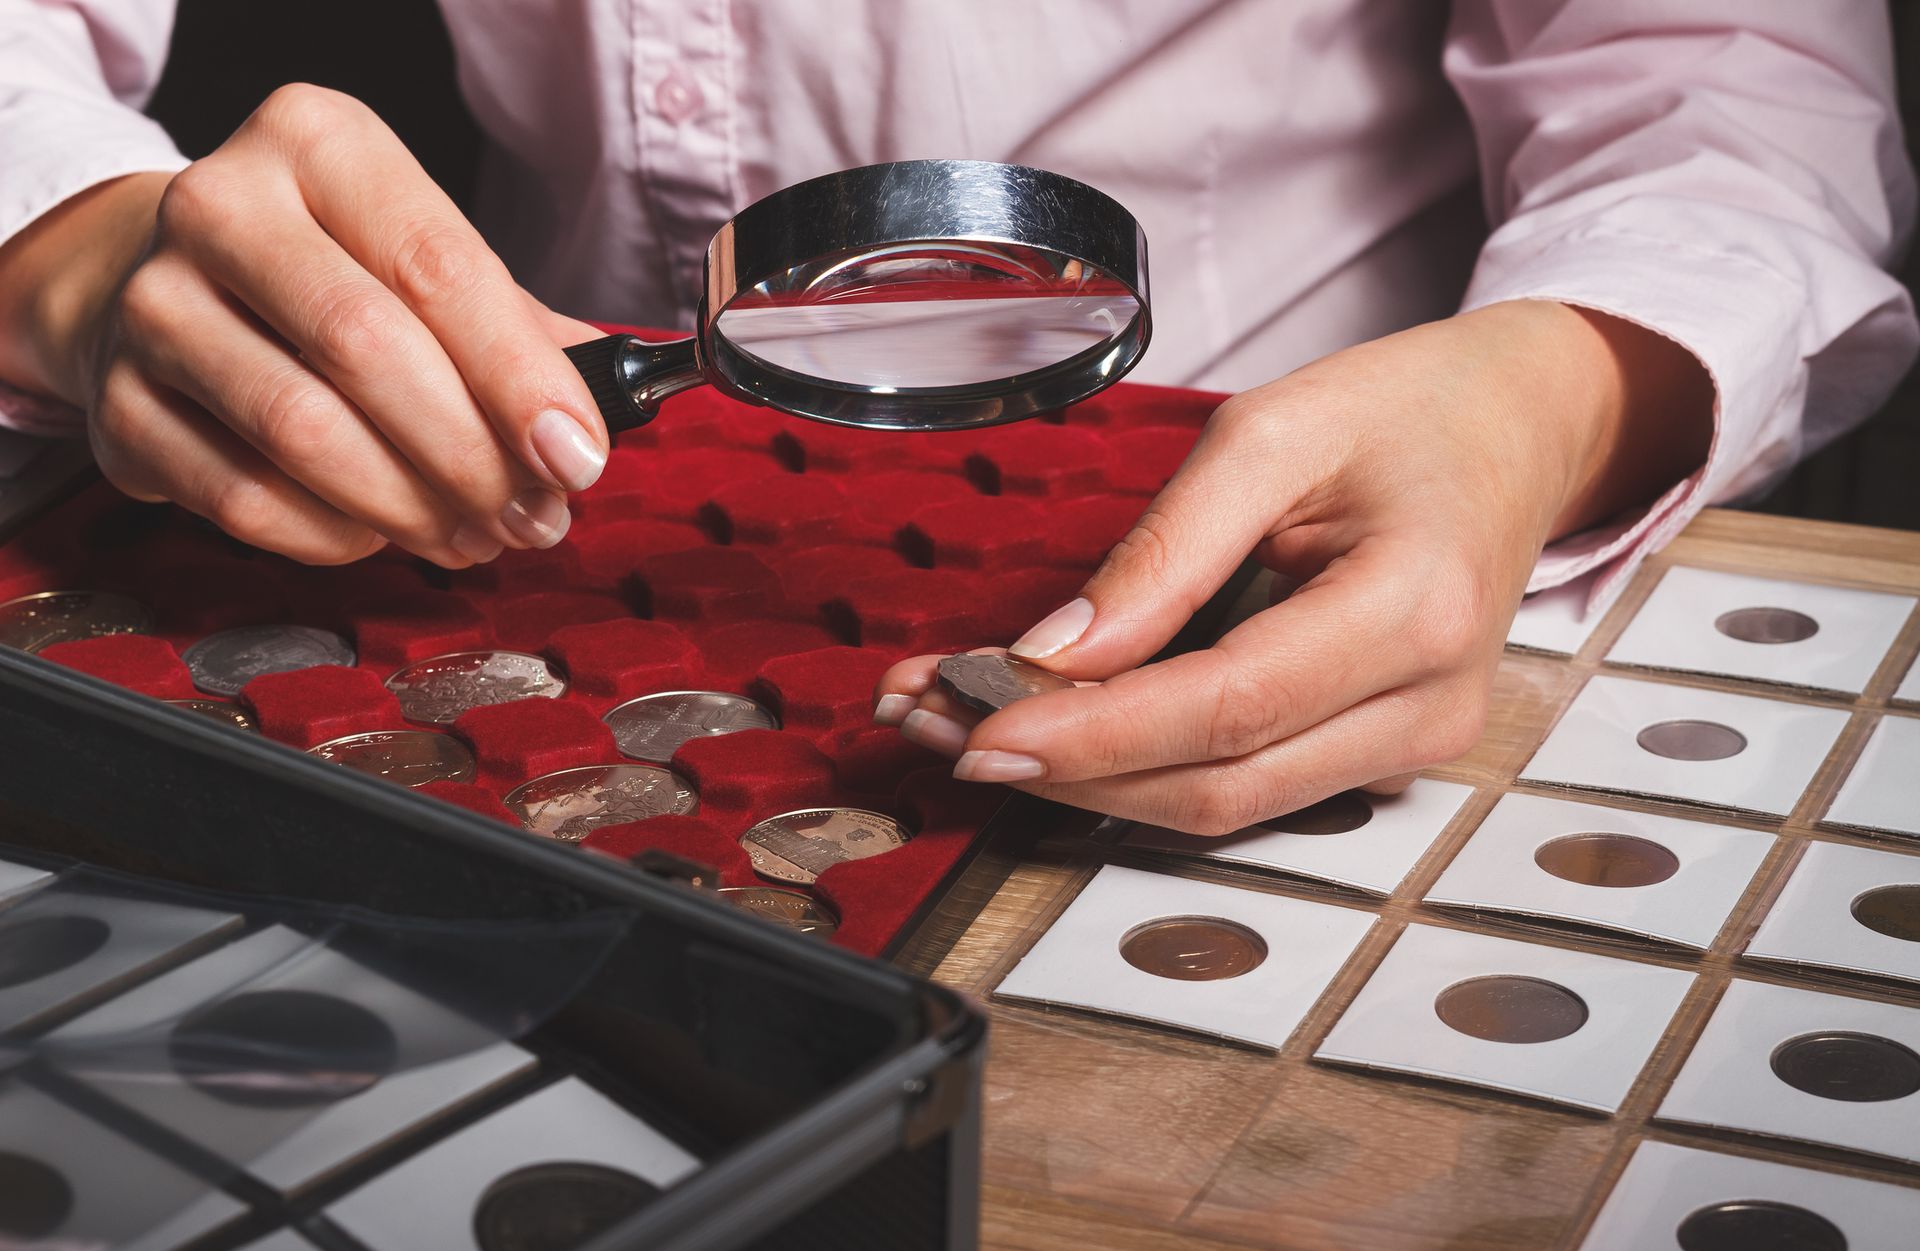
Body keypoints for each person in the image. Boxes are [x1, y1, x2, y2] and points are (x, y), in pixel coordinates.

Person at [0, 2, 1911, 834]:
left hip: (1285, 541)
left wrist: (1554, 393)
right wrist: (75, 241)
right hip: (501, 483)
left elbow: (1720, 73)